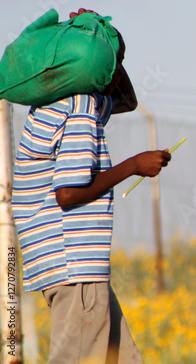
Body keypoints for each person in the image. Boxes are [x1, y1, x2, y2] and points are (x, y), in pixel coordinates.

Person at [11, 8, 169, 364]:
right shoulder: (81, 114)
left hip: (70, 265)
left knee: (123, 358)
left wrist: (97, 39)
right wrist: (134, 166)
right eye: (116, 63)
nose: (118, 73)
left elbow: (126, 100)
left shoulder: (60, 102)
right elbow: (68, 193)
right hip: (75, 264)